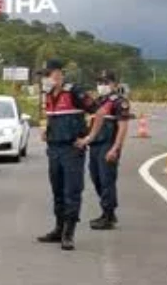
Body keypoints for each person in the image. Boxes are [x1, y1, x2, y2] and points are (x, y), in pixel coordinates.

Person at [36, 59, 95, 251]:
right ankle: (58, 228)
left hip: (71, 149)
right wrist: (46, 130)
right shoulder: (48, 95)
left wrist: (89, 138)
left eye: (47, 74)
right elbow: (48, 117)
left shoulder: (74, 92)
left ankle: (69, 234)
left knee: (72, 191)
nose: (45, 79)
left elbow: (99, 112)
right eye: (43, 75)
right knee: (58, 191)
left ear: (58, 74)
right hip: (54, 149)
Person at [86, 71, 131, 230]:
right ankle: (108, 212)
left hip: (108, 145)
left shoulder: (119, 102)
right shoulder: (98, 102)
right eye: (99, 82)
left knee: (107, 180)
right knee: (96, 178)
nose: (101, 86)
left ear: (114, 84)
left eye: (105, 82)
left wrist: (115, 148)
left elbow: (123, 127)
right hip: (95, 145)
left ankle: (108, 214)